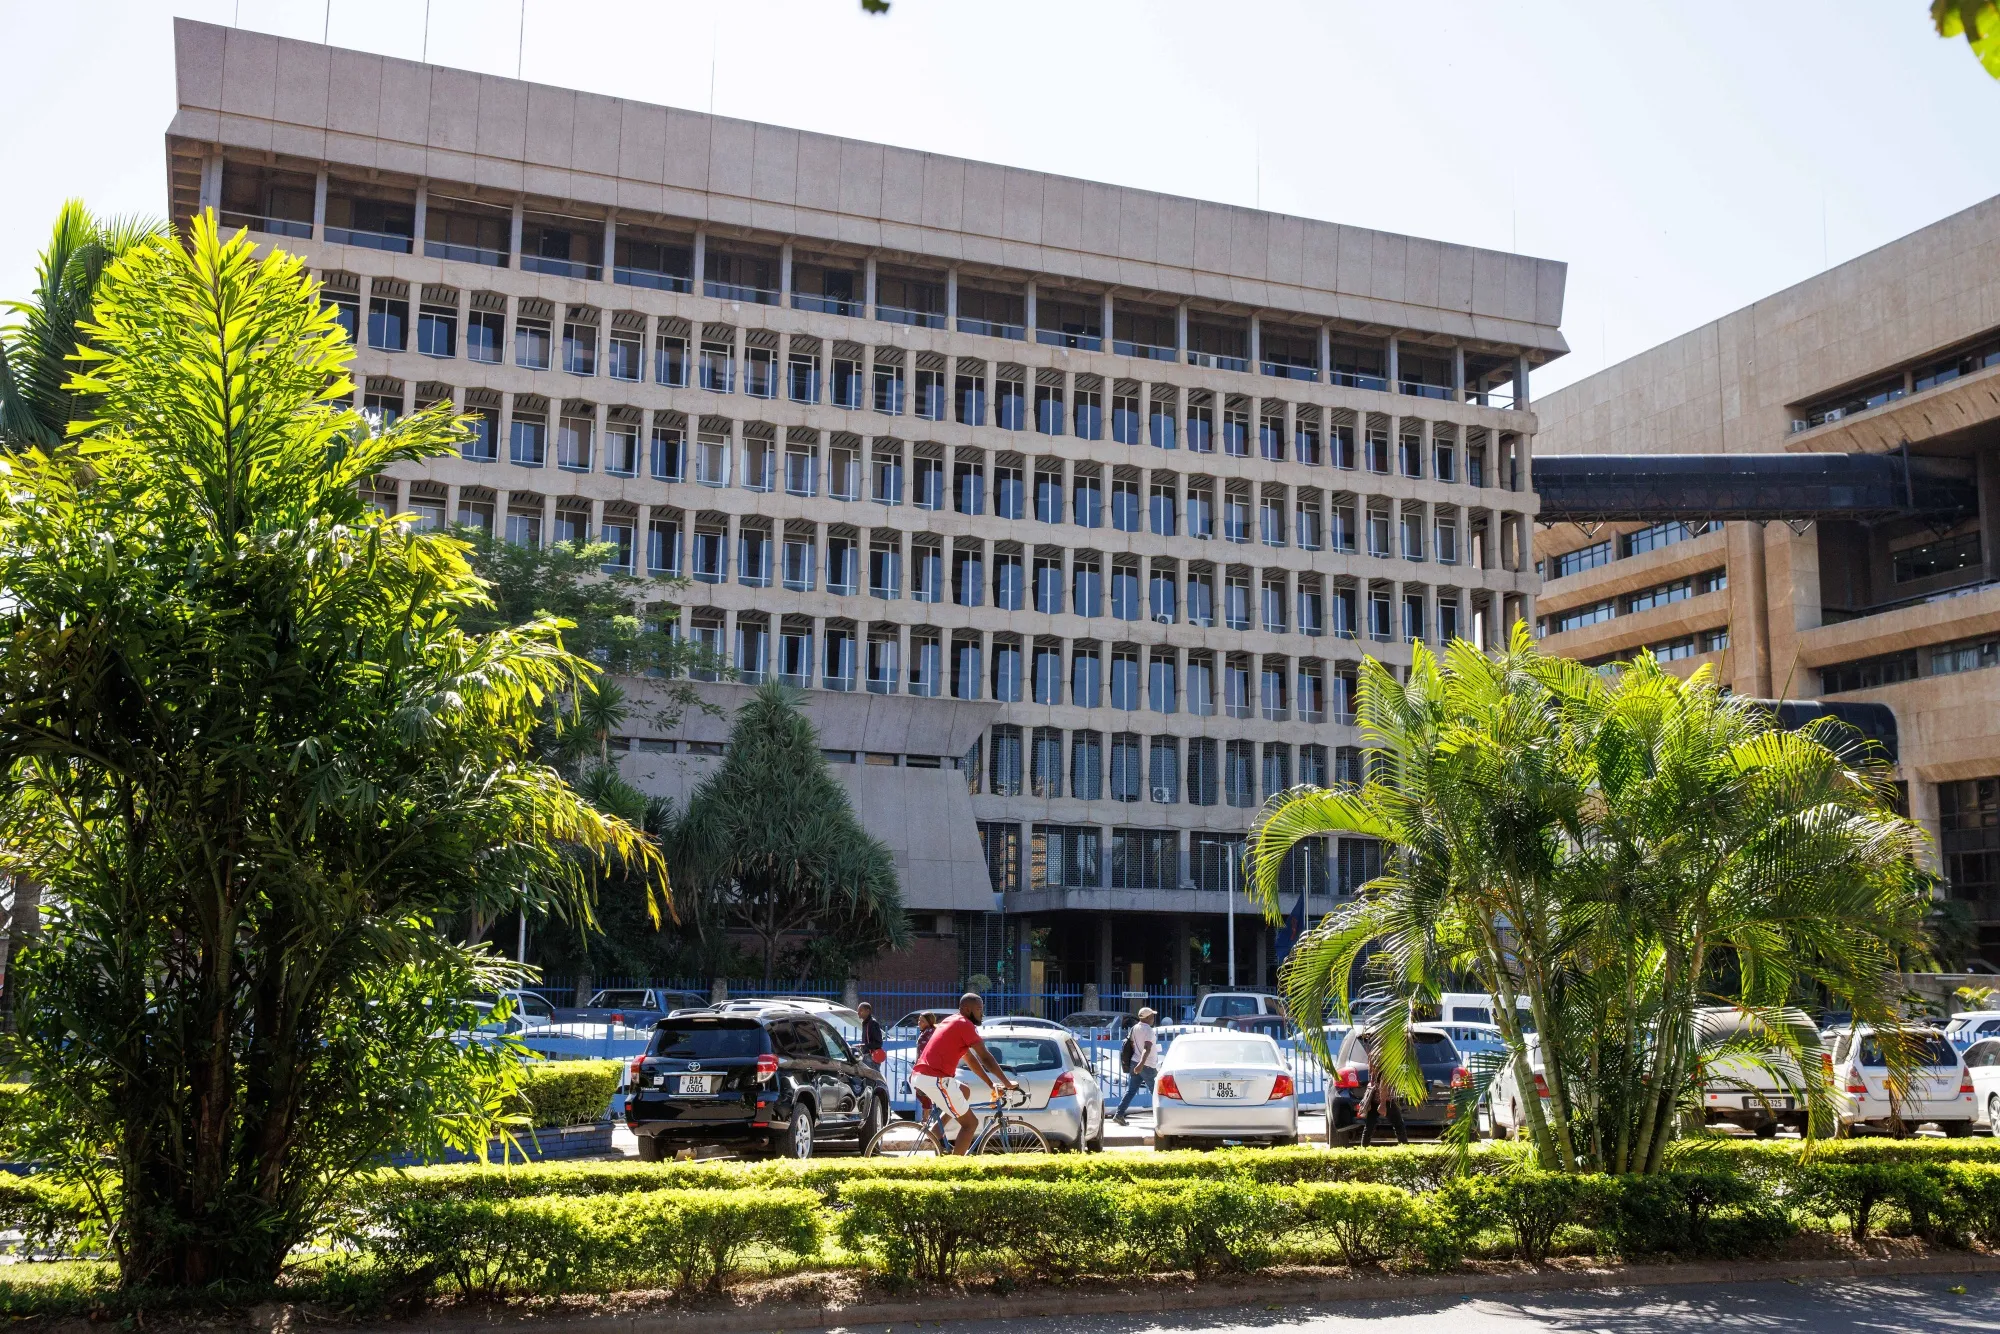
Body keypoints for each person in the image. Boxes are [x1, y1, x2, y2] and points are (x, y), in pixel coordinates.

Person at [908, 993, 1019, 1155]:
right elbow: (986, 1057)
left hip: (924, 1076)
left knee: (964, 1091)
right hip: (935, 1079)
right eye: (979, 1009)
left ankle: (934, 1133)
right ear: (967, 1009)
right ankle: (955, 1169)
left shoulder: (952, 1020)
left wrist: (991, 1084)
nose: (982, 1013)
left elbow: (971, 1059)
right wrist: (1007, 1082)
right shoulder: (964, 1025)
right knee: (970, 1124)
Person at [1113, 1006, 1160, 1125]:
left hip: (1135, 1062)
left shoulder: (1134, 1028)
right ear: (1148, 1017)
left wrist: (1137, 1064)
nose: (1153, 1018)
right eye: (1152, 1016)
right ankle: (1161, 1118)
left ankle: (1119, 1114)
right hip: (1147, 1065)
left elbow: (1133, 1045)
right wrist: (1141, 1064)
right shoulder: (1148, 1030)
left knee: (1131, 1091)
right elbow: (1147, 1048)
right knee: (1157, 1091)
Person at [1359, 1033, 1408, 1147]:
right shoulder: (1387, 1057)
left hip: (1374, 1096)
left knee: (1369, 1127)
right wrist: (1382, 1104)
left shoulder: (1373, 1054)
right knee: (1399, 1126)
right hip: (1385, 1098)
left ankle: (1363, 1149)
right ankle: (1406, 1150)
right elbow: (1384, 1081)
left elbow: (1373, 1077)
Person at [911, 1012, 940, 1122]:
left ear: (929, 1022)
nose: (919, 1023)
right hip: (922, 1066)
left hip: (927, 1067)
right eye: (919, 1020)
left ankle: (926, 1118)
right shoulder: (926, 1032)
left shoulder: (930, 1033)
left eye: (922, 1021)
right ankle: (927, 1117)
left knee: (923, 1090)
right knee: (921, 1091)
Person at [857, 1002, 886, 1069]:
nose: (858, 1012)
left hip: (871, 1058)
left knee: (873, 1078)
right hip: (866, 1056)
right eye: (858, 1010)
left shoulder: (872, 1023)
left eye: (860, 1010)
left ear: (868, 1011)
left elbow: (878, 1043)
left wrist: (864, 1045)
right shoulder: (865, 1023)